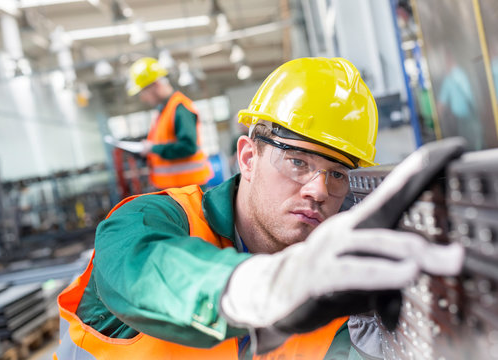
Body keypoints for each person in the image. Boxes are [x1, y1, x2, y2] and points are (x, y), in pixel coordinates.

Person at [56, 57, 464, 359]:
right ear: (248, 158)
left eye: (338, 174)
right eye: (298, 162)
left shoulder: (329, 291)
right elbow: (146, 273)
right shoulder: (149, 222)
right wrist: (266, 288)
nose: (319, 190)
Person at [106, 57, 213, 190]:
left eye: (143, 92)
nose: (142, 98)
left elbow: (188, 147)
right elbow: (163, 143)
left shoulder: (180, 108)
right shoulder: (162, 111)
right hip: (174, 188)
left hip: (188, 189)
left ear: (156, 85)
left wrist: (153, 149)